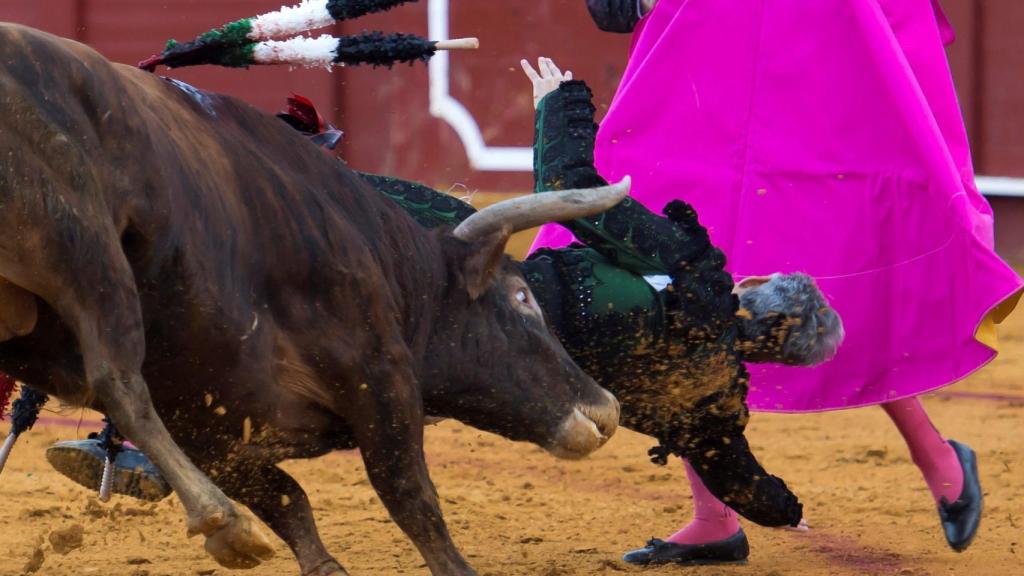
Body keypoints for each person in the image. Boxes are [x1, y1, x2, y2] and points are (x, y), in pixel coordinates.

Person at [36, 56, 845, 537]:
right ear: (769, 354)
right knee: (342, 407)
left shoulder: (689, 268)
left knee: (328, 210)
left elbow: (570, 188)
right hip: (479, 382)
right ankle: (148, 451)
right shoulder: (710, 397)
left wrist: (559, 104)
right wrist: (787, 510)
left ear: (756, 287)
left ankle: (235, 182)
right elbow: (744, 483)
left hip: (480, 291)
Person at [531, 0, 1024, 563]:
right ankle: (712, 516)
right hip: (708, 37)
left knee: (828, 259)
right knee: (666, 242)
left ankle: (934, 453)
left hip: (818, 34)